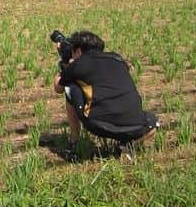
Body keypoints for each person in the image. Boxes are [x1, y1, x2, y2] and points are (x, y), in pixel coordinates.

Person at [54, 30, 160, 158]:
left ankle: (74, 141)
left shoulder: (79, 64)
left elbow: (58, 88)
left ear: (78, 51)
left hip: (99, 124)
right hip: (135, 124)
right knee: (154, 123)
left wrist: (65, 65)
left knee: (70, 87)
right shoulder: (117, 58)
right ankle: (127, 146)